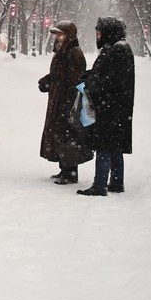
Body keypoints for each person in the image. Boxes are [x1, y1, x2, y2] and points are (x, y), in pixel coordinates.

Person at [78, 17, 135, 197]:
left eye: (100, 33)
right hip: (117, 107)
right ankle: (117, 182)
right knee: (114, 146)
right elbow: (104, 74)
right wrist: (89, 77)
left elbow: (109, 80)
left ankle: (100, 184)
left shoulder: (117, 50)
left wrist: (90, 83)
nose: (98, 36)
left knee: (104, 144)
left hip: (111, 107)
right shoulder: (118, 48)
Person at [37, 20, 93, 184]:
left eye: (61, 34)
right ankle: (64, 169)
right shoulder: (62, 51)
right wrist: (47, 81)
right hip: (58, 100)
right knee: (60, 135)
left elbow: (75, 79)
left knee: (68, 135)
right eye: (57, 34)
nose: (58, 37)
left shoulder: (73, 52)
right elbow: (57, 74)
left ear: (69, 35)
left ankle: (70, 172)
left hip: (68, 102)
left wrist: (65, 98)